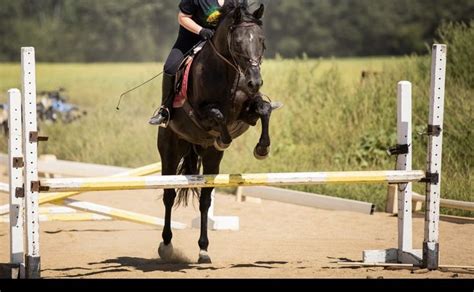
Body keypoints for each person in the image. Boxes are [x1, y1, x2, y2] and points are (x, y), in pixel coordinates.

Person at [149, 0, 225, 127]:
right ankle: (165, 110)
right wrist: (202, 31)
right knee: (170, 67)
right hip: (192, 39)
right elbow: (182, 17)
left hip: (221, 42)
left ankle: (254, 100)